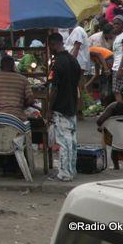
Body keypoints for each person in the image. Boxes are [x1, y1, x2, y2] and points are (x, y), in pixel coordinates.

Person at [47, 32, 81, 182]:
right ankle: (71, 170)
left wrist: (49, 108)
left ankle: (65, 174)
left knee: (64, 142)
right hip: (72, 104)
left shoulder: (58, 63)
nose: (50, 49)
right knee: (72, 141)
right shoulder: (73, 61)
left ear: (54, 44)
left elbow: (54, 88)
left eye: (50, 46)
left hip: (61, 107)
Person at [0, 55, 35, 120]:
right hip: (18, 118)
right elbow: (31, 99)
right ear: (13, 66)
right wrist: (24, 105)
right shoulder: (23, 79)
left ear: (0, 66)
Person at [111, 16, 123, 101]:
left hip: (121, 67)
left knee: (117, 91)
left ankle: (121, 111)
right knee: (118, 91)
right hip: (117, 67)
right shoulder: (118, 37)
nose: (115, 26)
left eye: (118, 24)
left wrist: (120, 69)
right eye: (114, 24)